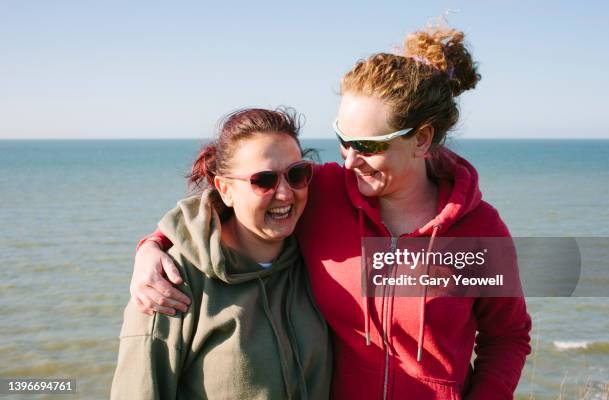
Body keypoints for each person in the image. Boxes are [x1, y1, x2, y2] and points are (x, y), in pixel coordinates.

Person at [130, 26, 531, 399]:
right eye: (343, 139)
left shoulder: (480, 230)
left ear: (421, 140)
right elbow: (230, 196)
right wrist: (152, 246)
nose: (350, 160)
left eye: (369, 145)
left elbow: (508, 336)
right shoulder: (322, 191)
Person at [111, 108, 332, 399]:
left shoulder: (315, 259)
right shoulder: (170, 283)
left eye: (297, 174)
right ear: (225, 189)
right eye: (263, 180)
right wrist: (151, 245)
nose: (285, 193)